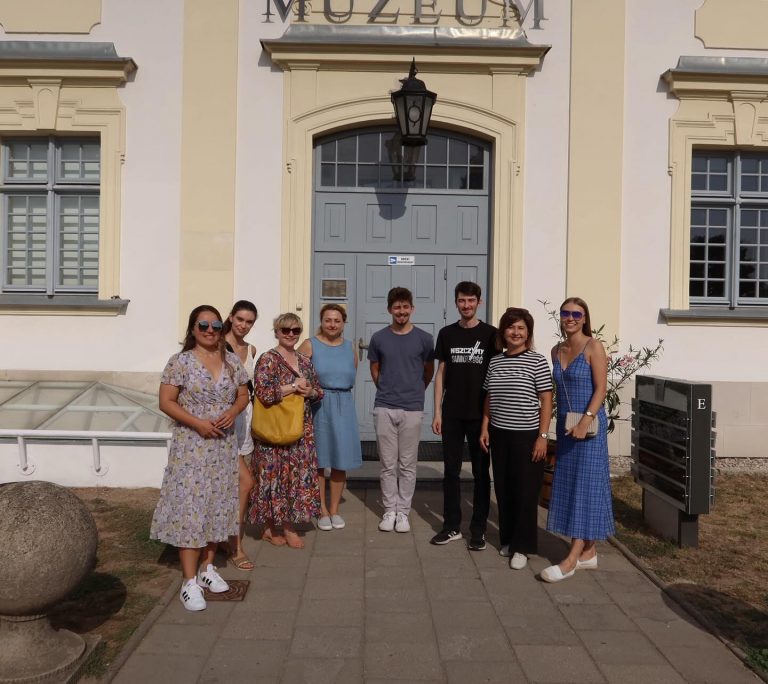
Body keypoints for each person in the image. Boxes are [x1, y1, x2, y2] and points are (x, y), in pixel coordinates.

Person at [150, 305, 249, 612]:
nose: (209, 330)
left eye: (215, 325)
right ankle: (189, 581)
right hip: (192, 445)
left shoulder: (231, 360)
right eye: (202, 325)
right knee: (191, 508)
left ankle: (207, 568)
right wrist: (198, 423)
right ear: (192, 329)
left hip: (222, 446)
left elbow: (243, 394)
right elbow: (166, 401)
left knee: (217, 503)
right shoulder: (180, 362)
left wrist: (233, 411)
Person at [541, 297, 615, 582]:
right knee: (572, 484)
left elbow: (601, 389)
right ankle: (589, 552)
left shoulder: (593, 346)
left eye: (576, 314)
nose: (570, 318)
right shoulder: (556, 350)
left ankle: (571, 559)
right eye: (565, 313)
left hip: (589, 426)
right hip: (567, 427)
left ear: (584, 318)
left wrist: (585, 421)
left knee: (586, 487)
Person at [479, 308, 552, 569]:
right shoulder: (496, 361)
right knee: (504, 489)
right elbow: (489, 396)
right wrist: (485, 427)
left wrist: (543, 437)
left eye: (521, 328)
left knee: (525, 492)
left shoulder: (537, 361)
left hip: (527, 436)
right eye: (511, 327)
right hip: (500, 434)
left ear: (528, 332)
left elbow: (546, 400)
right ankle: (508, 539)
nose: (515, 332)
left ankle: (523, 547)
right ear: (503, 332)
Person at [248, 313, 323, 549]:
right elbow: (263, 393)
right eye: (285, 330)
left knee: (294, 478)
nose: (291, 334)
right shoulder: (268, 359)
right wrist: (293, 386)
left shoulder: (305, 361)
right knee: (272, 478)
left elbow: (319, 390)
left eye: (295, 330)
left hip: (300, 429)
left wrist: (310, 392)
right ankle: (275, 527)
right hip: (274, 429)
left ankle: (282, 527)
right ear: (277, 332)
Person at [431, 282, 497, 550]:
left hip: (481, 416)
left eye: (471, 300)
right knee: (451, 472)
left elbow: (496, 375)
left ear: (479, 302)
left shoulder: (491, 334)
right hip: (452, 414)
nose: (466, 305)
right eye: (462, 300)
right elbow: (441, 373)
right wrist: (437, 411)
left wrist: (490, 419)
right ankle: (451, 526)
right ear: (456, 302)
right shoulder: (447, 333)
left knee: (481, 473)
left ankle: (478, 530)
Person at [368, 287, 435, 533]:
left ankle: (403, 512)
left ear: (412, 308)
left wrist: (415, 390)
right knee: (387, 464)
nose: (401, 311)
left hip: (412, 408)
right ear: (389, 309)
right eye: (397, 307)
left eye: (405, 306)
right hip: (384, 406)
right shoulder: (379, 338)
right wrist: (387, 389)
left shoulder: (425, 339)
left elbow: (428, 370)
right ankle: (389, 510)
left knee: (407, 464)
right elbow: (375, 369)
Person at [298, 304, 362, 531]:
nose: (332, 324)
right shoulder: (310, 344)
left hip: (344, 405)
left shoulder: (350, 346)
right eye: (328, 320)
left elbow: (351, 374)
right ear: (321, 321)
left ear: (344, 323)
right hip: (319, 405)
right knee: (319, 460)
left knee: (339, 460)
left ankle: (334, 509)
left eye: (337, 320)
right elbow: (296, 374)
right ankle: (321, 509)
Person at [222, 300, 258, 570]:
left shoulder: (251, 349)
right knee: (244, 483)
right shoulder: (216, 345)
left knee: (237, 484)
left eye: (249, 322)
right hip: (223, 419)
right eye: (240, 319)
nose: (244, 326)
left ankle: (227, 537)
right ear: (231, 317)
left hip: (245, 419)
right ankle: (235, 545)